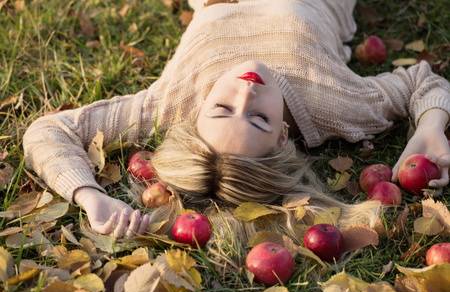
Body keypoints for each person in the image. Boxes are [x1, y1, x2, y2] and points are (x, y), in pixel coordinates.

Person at [23, 0, 450, 242]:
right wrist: (431, 125)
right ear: (284, 136)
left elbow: (50, 130)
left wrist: (88, 196)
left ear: (195, 117)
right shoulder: (335, 104)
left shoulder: (171, 104)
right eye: (261, 118)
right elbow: (420, 83)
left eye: (222, 109)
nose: (246, 91)